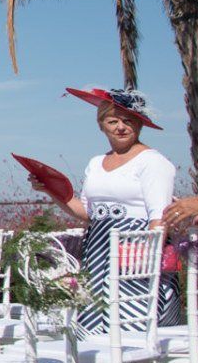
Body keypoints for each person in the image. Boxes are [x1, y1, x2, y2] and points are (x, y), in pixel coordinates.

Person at [30, 86, 178, 331]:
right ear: (101, 125)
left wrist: (145, 263)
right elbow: (87, 213)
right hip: (98, 250)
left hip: (136, 251)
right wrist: (49, 189)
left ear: (140, 124)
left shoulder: (153, 162)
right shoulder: (96, 163)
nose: (120, 127)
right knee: (95, 325)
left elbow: (160, 217)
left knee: (134, 325)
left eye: (128, 121)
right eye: (113, 121)